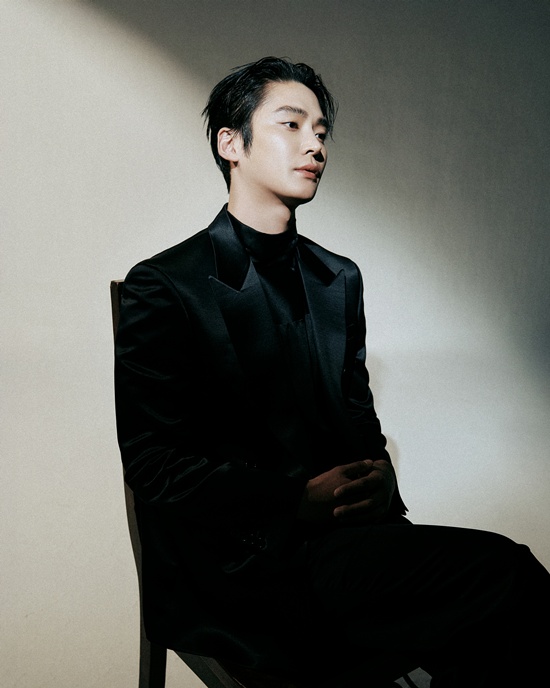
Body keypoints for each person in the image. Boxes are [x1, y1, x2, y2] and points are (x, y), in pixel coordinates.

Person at [114, 57, 550, 688]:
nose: (315, 144)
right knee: (504, 577)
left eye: (321, 131)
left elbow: (357, 417)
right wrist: (295, 501)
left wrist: (380, 477)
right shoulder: (166, 285)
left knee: (498, 611)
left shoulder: (337, 278)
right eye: (291, 125)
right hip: (241, 566)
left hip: (344, 549)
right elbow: (153, 464)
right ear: (231, 144)